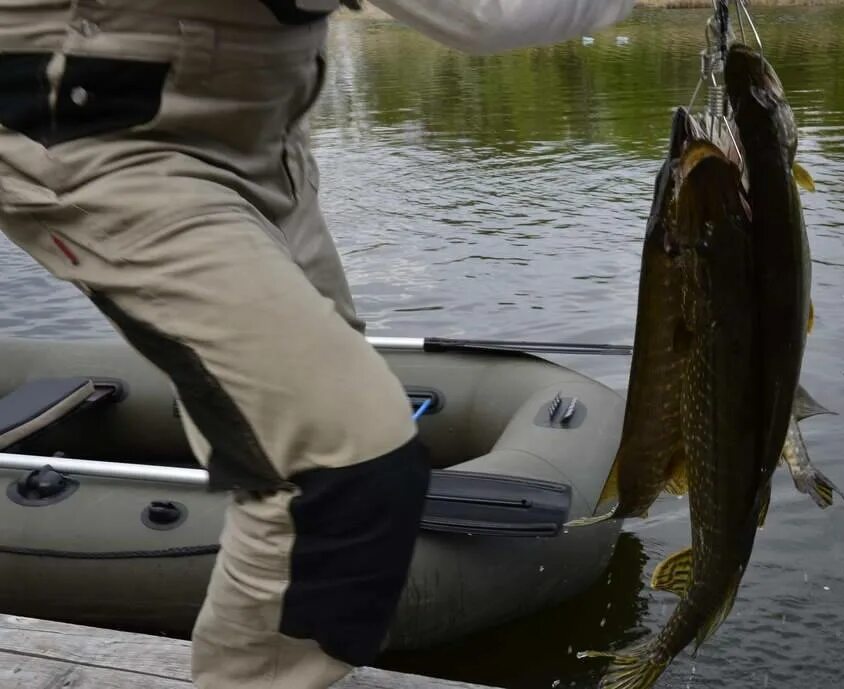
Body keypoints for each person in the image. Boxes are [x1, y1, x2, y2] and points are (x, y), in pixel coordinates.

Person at [0, 0, 634, 687]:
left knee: (302, 418)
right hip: (101, 128)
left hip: (258, 134)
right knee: (342, 460)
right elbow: (487, 12)